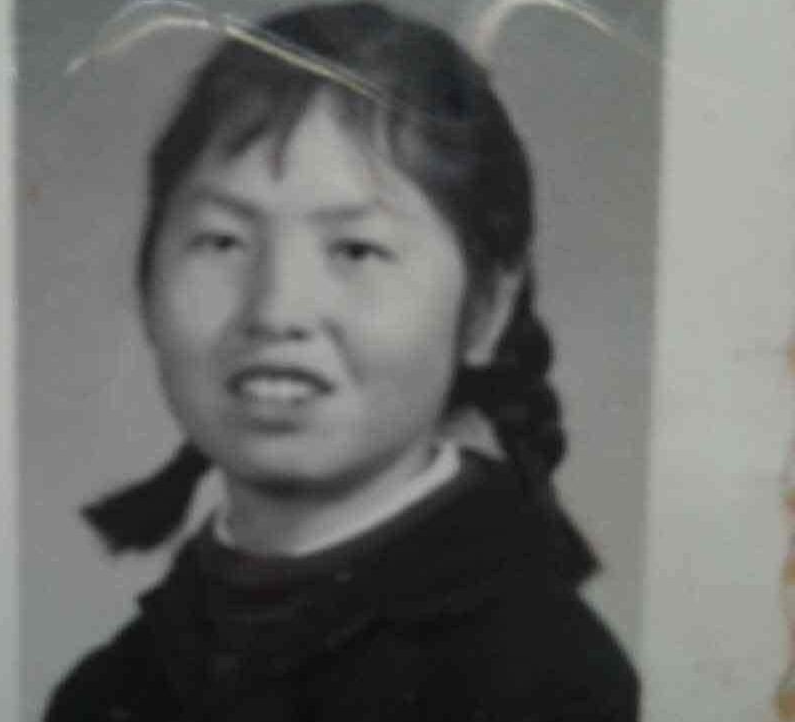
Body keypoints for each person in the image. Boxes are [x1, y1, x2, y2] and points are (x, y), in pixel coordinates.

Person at [45, 2, 639, 720]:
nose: (275, 310)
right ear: (146, 284)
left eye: (356, 250)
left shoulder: (544, 676)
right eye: (223, 241)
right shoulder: (106, 690)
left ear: (484, 310)